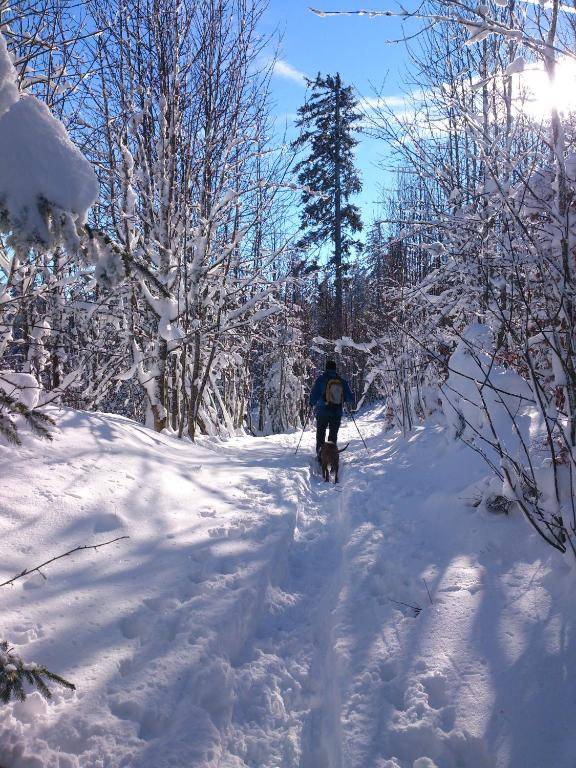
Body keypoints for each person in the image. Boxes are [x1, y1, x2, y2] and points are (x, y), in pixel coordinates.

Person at [309, 359, 354, 459]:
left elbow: (314, 394)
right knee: (333, 435)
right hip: (336, 412)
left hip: (322, 412)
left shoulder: (321, 380)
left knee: (321, 434)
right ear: (335, 369)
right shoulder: (341, 381)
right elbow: (350, 398)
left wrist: (311, 403)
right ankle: (332, 455)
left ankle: (321, 455)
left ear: (326, 368)